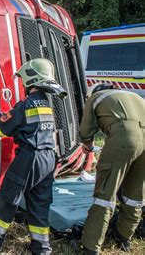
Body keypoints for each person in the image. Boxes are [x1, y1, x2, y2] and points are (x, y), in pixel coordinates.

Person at [0, 58, 67, 255]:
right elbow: (18, 119)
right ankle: (41, 247)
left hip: (30, 158)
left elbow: (2, 128)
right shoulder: (44, 104)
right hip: (49, 158)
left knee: (8, 197)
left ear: (30, 80)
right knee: (39, 202)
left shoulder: (26, 104)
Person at [79, 83, 144, 254]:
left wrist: (87, 145)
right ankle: (124, 238)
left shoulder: (95, 98)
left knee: (105, 194)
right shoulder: (135, 97)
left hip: (125, 137)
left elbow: (86, 130)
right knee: (135, 195)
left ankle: (90, 246)